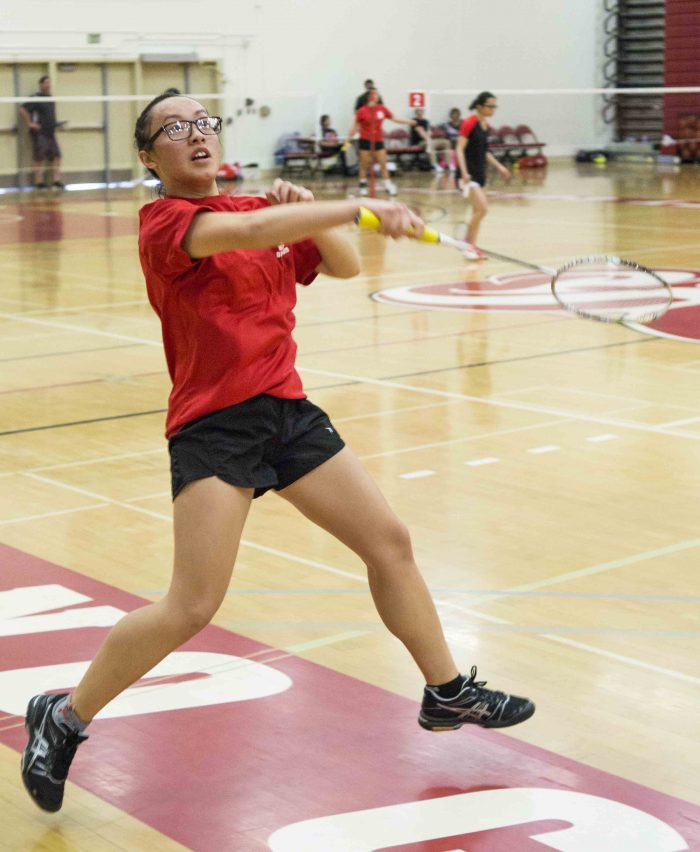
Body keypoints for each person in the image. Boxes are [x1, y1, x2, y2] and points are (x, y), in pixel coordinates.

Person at [20, 90, 535, 815]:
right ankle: (64, 715)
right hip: (216, 426)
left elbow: (347, 266)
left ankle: (446, 691)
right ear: (149, 155)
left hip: (287, 412)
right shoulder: (168, 224)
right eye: (176, 128)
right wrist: (349, 205)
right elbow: (262, 228)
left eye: (204, 123)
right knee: (191, 604)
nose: (196, 135)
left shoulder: (257, 210)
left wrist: (325, 218)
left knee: (389, 541)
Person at [455, 91, 511, 261]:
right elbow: (458, 149)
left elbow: (484, 152)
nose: (493, 109)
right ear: (480, 106)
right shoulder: (469, 123)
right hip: (468, 174)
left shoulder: (486, 125)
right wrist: (463, 172)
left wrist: (499, 166)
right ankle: (467, 246)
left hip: (480, 173)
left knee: (476, 211)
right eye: (490, 106)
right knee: (482, 209)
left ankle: (471, 245)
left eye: (495, 106)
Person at [346, 90, 415, 196]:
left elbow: (395, 119)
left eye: (377, 94)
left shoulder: (382, 109)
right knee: (364, 164)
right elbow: (354, 127)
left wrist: (409, 122)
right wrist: (348, 139)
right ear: (369, 97)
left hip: (378, 141)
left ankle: (388, 185)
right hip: (365, 141)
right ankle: (363, 185)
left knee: (383, 163)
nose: (376, 96)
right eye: (374, 94)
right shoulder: (361, 111)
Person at [19, 75, 65, 189]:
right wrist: (30, 123)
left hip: (51, 133)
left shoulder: (50, 99)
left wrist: (56, 124)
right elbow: (22, 110)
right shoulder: (36, 97)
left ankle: (56, 180)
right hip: (39, 133)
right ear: (41, 85)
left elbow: (49, 116)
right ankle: (38, 182)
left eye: (49, 83)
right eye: (46, 83)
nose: (48, 85)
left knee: (57, 156)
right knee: (39, 157)